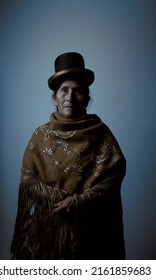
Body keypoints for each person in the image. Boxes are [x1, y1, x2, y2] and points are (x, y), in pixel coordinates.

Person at [11, 52, 126, 260]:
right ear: (54, 98)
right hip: (48, 237)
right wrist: (57, 199)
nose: (70, 97)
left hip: (90, 236)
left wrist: (80, 201)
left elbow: (112, 177)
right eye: (64, 90)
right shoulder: (40, 136)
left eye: (78, 91)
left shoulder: (101, 135)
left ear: (87, 98)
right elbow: (27, 179)